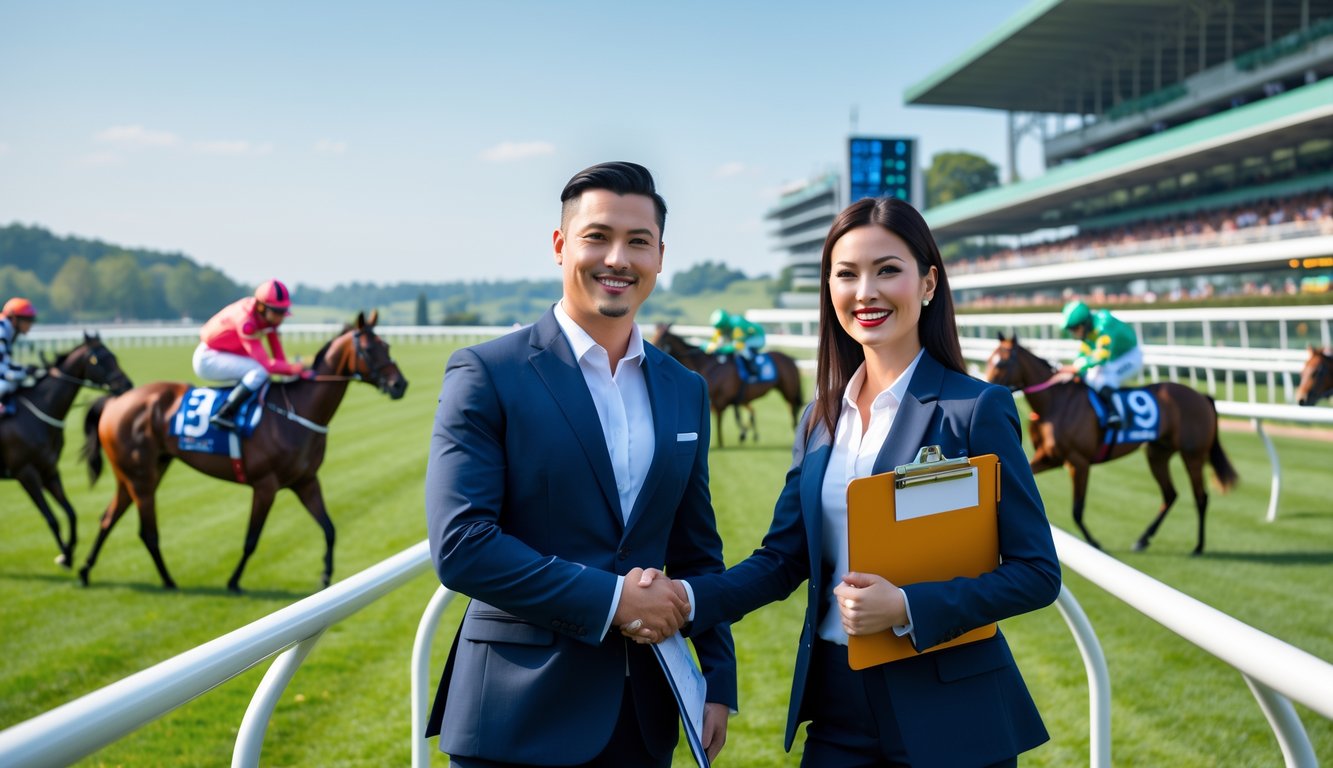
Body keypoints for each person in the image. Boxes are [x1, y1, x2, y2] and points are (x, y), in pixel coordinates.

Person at [641, 197, 1061, 766]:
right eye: (847, 274)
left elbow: (1035, 574)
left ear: (929, 282)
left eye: (888, 270)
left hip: (953, 714)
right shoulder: (819, 417)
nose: (866, 292)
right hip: (838, 709)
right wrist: (686, 599)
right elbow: (783, 559)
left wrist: (908, 606)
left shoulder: (975, 409)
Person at [424, 162, 736, 767]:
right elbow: (462, 544)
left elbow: (697, 548)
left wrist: (717, 676)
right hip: (516, 716)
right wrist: (614, 600)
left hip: (644, 712)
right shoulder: (486, 372)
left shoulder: (684, 388)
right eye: (597, 237)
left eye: (638, 241)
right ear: (561, 245)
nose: (618, 258)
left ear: (661, 256)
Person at [192, 280, 305, 429]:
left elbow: (278, 358)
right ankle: (224, 413)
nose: (281, 317)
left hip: (226, 353)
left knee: (261, 372)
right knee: (259, 371)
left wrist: (290, 371)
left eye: (283, 311)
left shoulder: (267, 318)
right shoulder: (246, 322)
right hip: (209, 358)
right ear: (261, 307)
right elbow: (267, 365)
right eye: (277, 312)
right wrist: (295, 369)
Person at [1059, 299, 1143, 429]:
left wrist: (1076, 367)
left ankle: (1118, 415)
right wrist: (1076, 369)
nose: (1073, 333)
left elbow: (1101, 357)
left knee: (1105, 379)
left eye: (1074, 328)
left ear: (1084, 324)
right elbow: (1084, 354)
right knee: (1089, 377)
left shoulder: (1104, 325)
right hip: (1113, 358)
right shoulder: (1088, 330)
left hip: (1130, 356)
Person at [0, 297, 39, 417]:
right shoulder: (2, 332)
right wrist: (23, 373)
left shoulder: (7, 330)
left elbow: (5, 362)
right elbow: (3, 370)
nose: (30, 324)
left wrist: (23, 370)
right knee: (6, 386)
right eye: (27, 320)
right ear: (14, 319)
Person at [705, 308, 766, 380]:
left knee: (744, 348)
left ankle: (754, 370)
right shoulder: (720, 327)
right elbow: (714, 343)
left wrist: (721, 349)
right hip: (744, 338)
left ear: (725, 324)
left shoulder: (737, 324)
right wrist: (708, 347)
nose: (720, 331)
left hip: (757, 336)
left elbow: (738, 345)